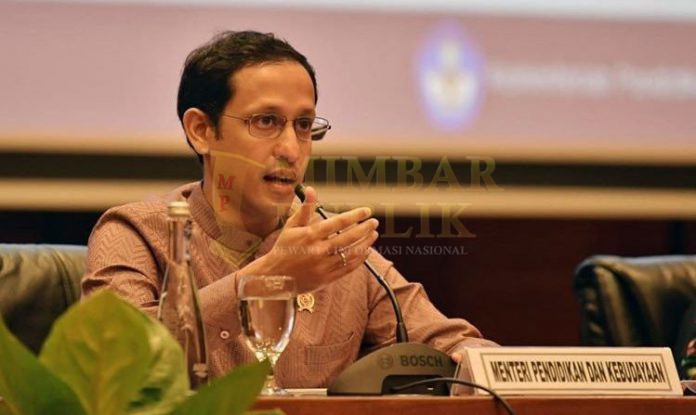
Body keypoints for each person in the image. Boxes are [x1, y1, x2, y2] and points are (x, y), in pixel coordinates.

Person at [81, 30, 496, 388]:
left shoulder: (331, 248)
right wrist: (265, 280)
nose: (291, 150)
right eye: (265, 122)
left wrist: (476, 360)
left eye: (303, 125)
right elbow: (114, 363)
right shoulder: (136, 233)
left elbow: (453, 343)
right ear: (201, 130)